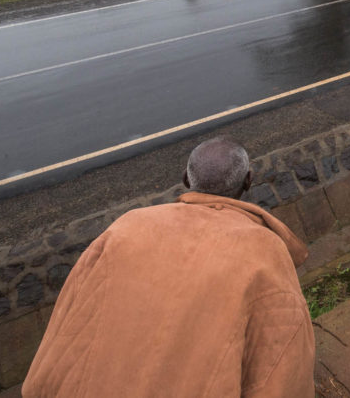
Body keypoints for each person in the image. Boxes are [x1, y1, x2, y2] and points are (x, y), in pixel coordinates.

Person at [23, 137, 314, 397]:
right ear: (249, 181)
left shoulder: (128, 225)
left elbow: (67, 319)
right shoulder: (264, 250)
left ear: (186, 180)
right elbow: (281, 361)